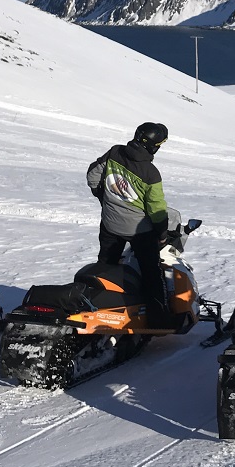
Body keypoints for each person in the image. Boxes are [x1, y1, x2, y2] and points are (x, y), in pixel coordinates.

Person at [86, 123, 172, 324]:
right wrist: (162, 234)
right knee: (152, 273)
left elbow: (92, 175)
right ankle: (158, 317)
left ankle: (99, 307)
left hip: (110, 224)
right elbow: (157, 209)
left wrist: (105, 199)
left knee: (105, 266)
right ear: (153, 147)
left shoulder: (115, 152)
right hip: (138, 232)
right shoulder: (151, 173)